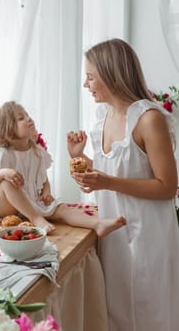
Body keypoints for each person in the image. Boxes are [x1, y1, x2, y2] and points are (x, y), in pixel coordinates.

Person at [67, 38, 179, 331]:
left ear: (111, 73)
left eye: (91, 76)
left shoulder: (148, 119)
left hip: (149, 236)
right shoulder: (102, 118)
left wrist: (107, 181)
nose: (85, 84)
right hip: (114, 235)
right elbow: (109, 173)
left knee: (150, 313)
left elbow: (167, 186)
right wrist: (82, 162)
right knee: (118, 315)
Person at [0, 101, 126, 236]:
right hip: (6, 208)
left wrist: (46, 193)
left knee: (62, 208)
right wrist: (2, 173)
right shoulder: (2, 153)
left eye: (27, 115)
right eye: (21, 118)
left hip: (30, 202)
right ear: (7, 130)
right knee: (6, 183)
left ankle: (97, 224)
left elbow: (44, 180)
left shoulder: (37, 152)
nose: (28, 119)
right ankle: (36, 218)